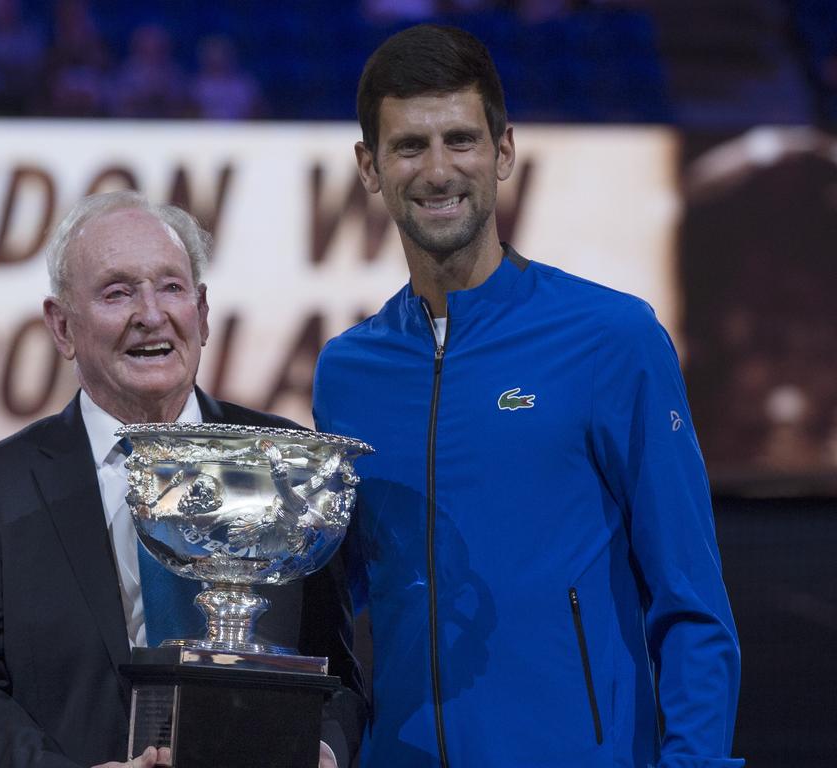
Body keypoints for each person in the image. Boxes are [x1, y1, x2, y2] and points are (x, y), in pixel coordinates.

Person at [312, 24, 742, 768]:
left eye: (461, 140)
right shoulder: (347, 373)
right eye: (410, 146)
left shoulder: (612, 338)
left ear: (503, 151)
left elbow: (693, 602)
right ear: (369, 167)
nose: (438, 170)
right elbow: (338, 613)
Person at [0, 191, 365, 768]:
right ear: (62, 326)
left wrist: (323, 750)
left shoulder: (289, 463)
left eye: (171, 287)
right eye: (117, 291)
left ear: (201, 312)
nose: (151, 314)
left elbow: (338, 675)